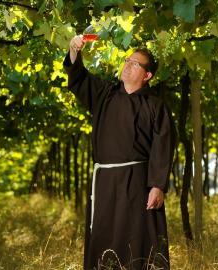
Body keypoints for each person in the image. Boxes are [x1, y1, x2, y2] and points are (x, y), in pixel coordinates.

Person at [63, 34, 176, 270]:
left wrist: (158, 185)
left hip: (138, 184)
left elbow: (163, 146)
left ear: (147, 75)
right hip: (105, 183)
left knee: (137, 240)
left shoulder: (156, 106)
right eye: (127, 60)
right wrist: (74, 50)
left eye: (136, 63)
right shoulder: (105, 94)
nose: (128, 65)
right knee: (105, 238)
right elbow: (78, 79)